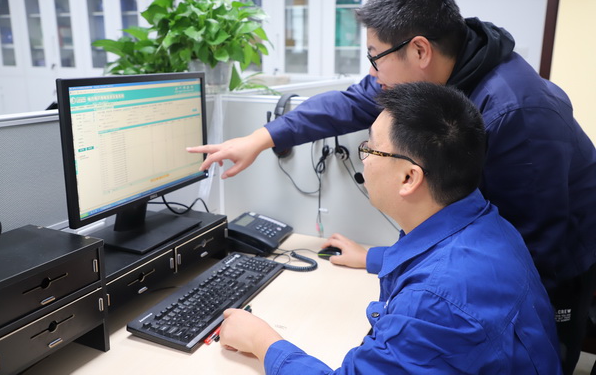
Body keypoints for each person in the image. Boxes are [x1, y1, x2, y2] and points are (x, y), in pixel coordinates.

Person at [190, 0, 596, 373]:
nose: (372, 74)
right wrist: (261, 138)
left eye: (375, 56)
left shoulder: (517, 113)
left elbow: (527, 253)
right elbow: (349, 104)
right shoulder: (427, 78)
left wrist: (265, 343)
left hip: (559, 250)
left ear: (419, 50)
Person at [219, 82, 562, 374]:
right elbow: (439, 258)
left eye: (370, 148)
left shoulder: (434, 302)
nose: (364, 158)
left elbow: (440, 294)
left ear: (409, 177)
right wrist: (371, 257)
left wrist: (262, 342)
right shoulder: (487, 224)